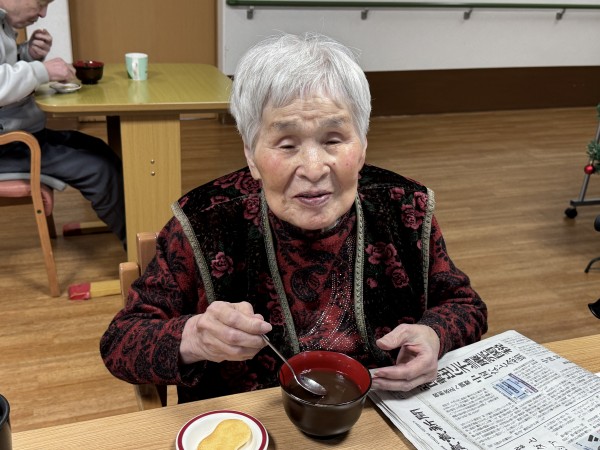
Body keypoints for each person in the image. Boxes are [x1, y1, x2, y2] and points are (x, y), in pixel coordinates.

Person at [100, 32, 487, 402]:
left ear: (363, 145)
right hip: (252, 424)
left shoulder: (404, 207)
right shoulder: (206, 221)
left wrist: (434, 335)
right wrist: (194, 337)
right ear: (251, 154)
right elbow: (121, 341)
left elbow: (466, 305)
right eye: (286, 145)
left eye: (333, 139)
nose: (314, 168)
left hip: (380, 411)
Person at [0, 0, 125, 246]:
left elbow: (6, 68)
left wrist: (28, 54)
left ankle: (140, 231)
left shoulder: (3, 23)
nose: (43, 14)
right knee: (98, 168)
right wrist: (41, 70)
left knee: (98, 149)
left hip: (20, 137)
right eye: (40, 3)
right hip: (8, 146)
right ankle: (147, 253)